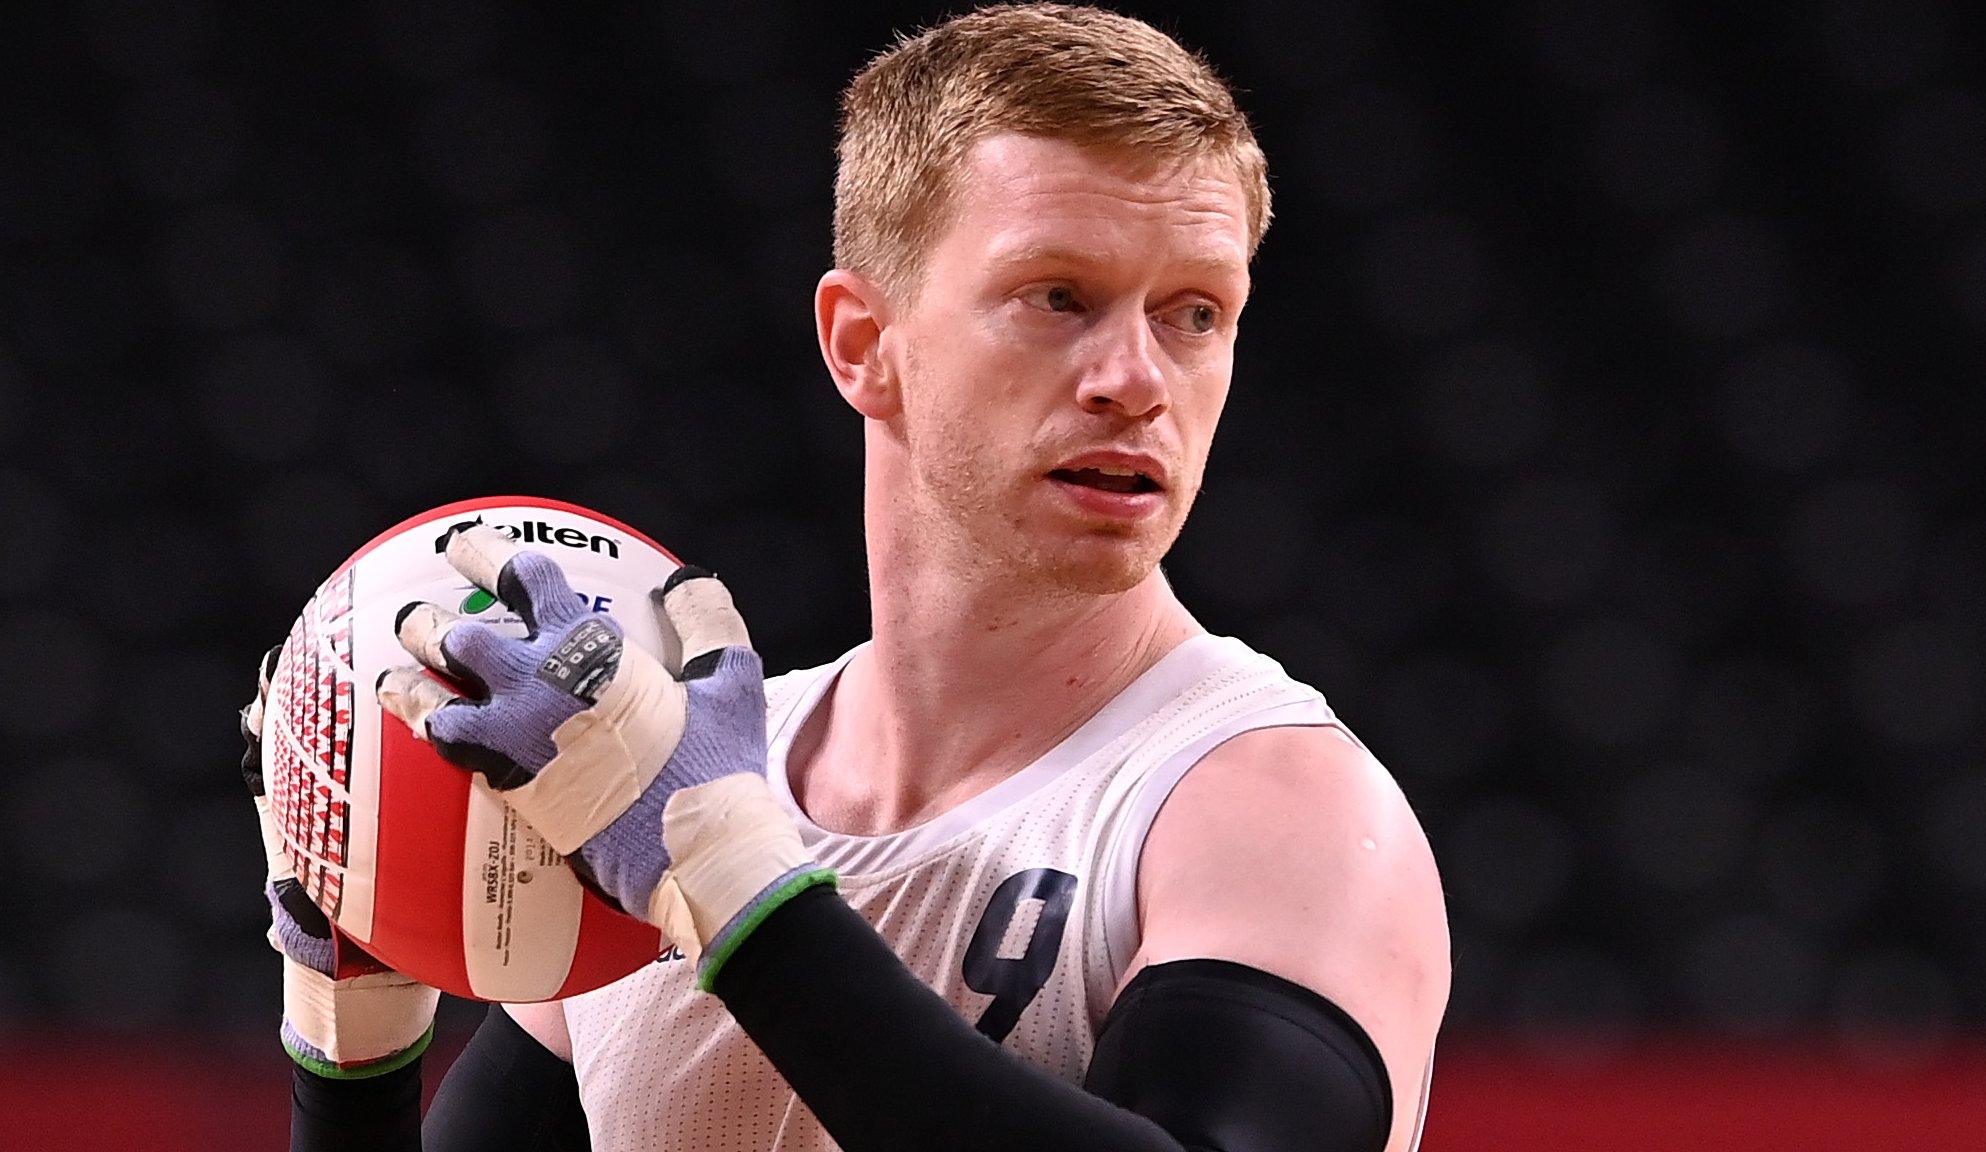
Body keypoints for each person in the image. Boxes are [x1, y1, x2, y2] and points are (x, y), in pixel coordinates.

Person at [246, 6, 1450, 1150]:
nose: (1134, 377)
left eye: (1194, 312)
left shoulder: (1278, 812)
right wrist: (350, 1055)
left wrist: (725, 874)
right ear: (861, 345)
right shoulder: (651, 783)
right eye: (1058, 298)